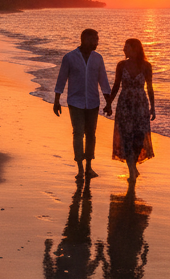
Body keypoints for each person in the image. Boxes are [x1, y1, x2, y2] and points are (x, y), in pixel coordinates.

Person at [53, 28, 111, 182]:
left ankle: (89, 167)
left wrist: (109, 102)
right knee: (78, 133)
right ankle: (79, 167)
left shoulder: (98, 58)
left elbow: (103, 81)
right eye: (94, 39)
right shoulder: (70, 58)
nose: (97, 42)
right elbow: (61, 79)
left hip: (93, 102)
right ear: (85, 39)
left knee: (91, 134)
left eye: (97, 39)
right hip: (75, 102)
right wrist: (56, 100)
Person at [105, 38, 155, 182]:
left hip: (141, 105)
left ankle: (133, 167)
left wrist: (153, 107)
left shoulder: (146, 66)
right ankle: (132, 170)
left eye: (126, 47)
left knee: (139, 137)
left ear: (134, 49)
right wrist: (109, 103)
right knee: (126, 137)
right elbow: (116, 86)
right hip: (125, 104)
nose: (123, 50)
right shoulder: (121, 65)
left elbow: (150, 88)